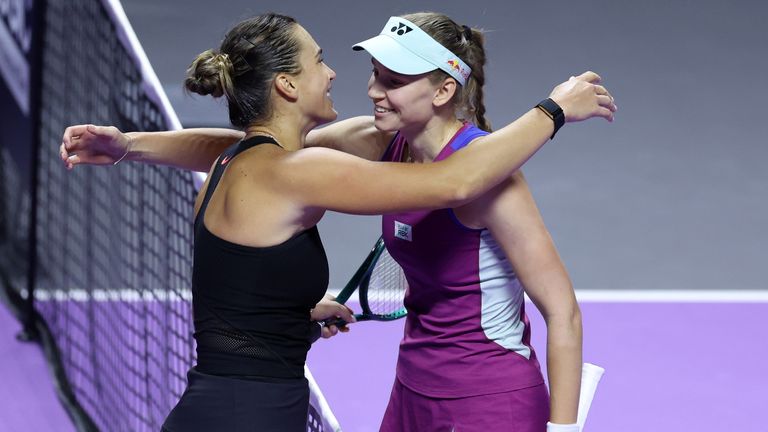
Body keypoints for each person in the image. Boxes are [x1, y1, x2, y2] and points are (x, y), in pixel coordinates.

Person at [60, 12, 616, 432]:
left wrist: (131, 144)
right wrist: (556, 109)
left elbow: (559, 309)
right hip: (364, 397)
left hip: (482, 398)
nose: (364, 87)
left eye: (392, 80)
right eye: (370, 74)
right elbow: (261, 153)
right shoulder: (354, 153)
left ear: (444, 89)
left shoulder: (490, 178)